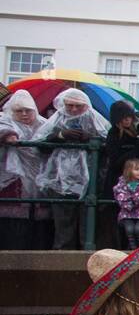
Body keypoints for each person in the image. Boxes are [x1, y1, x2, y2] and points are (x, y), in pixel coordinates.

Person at [34, 89, 109, 250]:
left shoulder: (95, 120)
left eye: (78, 106)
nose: (74, 110)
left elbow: (109, 143)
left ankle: (87, 254)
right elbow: (39, 144)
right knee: (63, 222)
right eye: (70, 106)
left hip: (90, 178)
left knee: (87, 221)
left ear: (86, 105)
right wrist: (60, 135)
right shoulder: (56, 120)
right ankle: (62, 257)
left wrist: (90, 138)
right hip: (59, 179)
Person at [0, 90, 48, 251]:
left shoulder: (43, 124)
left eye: (28, 110)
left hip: (39, 178)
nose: (24, 114)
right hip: (12, 178)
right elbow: (3, 127)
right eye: (19, 111)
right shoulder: (6, 121)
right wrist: (9, 136)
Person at [112, 158, 139, 250]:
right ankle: (133, 249)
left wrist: (135, 199)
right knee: (129, 229)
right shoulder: (122, 183)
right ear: (128, 171)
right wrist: (131, 201)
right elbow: (120, 196)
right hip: (127, 214)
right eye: (137, 169)